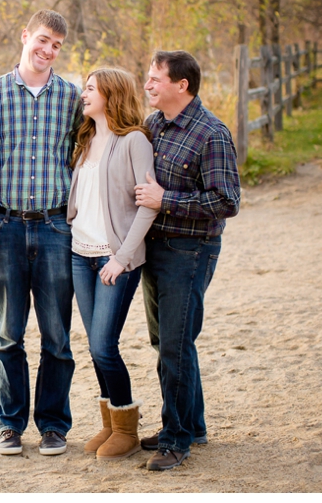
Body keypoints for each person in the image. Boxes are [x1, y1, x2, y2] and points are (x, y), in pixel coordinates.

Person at [0, 10, 83, 456]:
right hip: (7, 226)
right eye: (43, 40)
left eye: (56, 44)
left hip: (56, 227)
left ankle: (53, 425)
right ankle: (10, 425)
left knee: (56, 335)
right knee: (9, 333)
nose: (48, 50)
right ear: (25, 37)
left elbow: (82, 160)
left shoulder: (72, 98)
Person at [134, 50, 241, 471]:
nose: (148, 84)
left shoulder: (211, 133)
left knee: (175, 348)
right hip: (155, 249)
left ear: (182, 85)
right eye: (148, 77)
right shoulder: (153, 125)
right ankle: (192, 425)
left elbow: (227, 201)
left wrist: (166, 201)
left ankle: (176, 440)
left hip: (191, 252)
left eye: (155, 78)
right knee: (167, 344)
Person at [66, 67, 157, 460]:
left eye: (89, 88)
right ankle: (109, 423)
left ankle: (126, 427)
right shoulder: (85, 138)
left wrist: (121, 258)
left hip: (114, 258)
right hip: (79, 254)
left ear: (111, 94)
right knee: (93, 346)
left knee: (105, 345)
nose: (82, 94)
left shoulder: (133, 140)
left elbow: (147, 206)